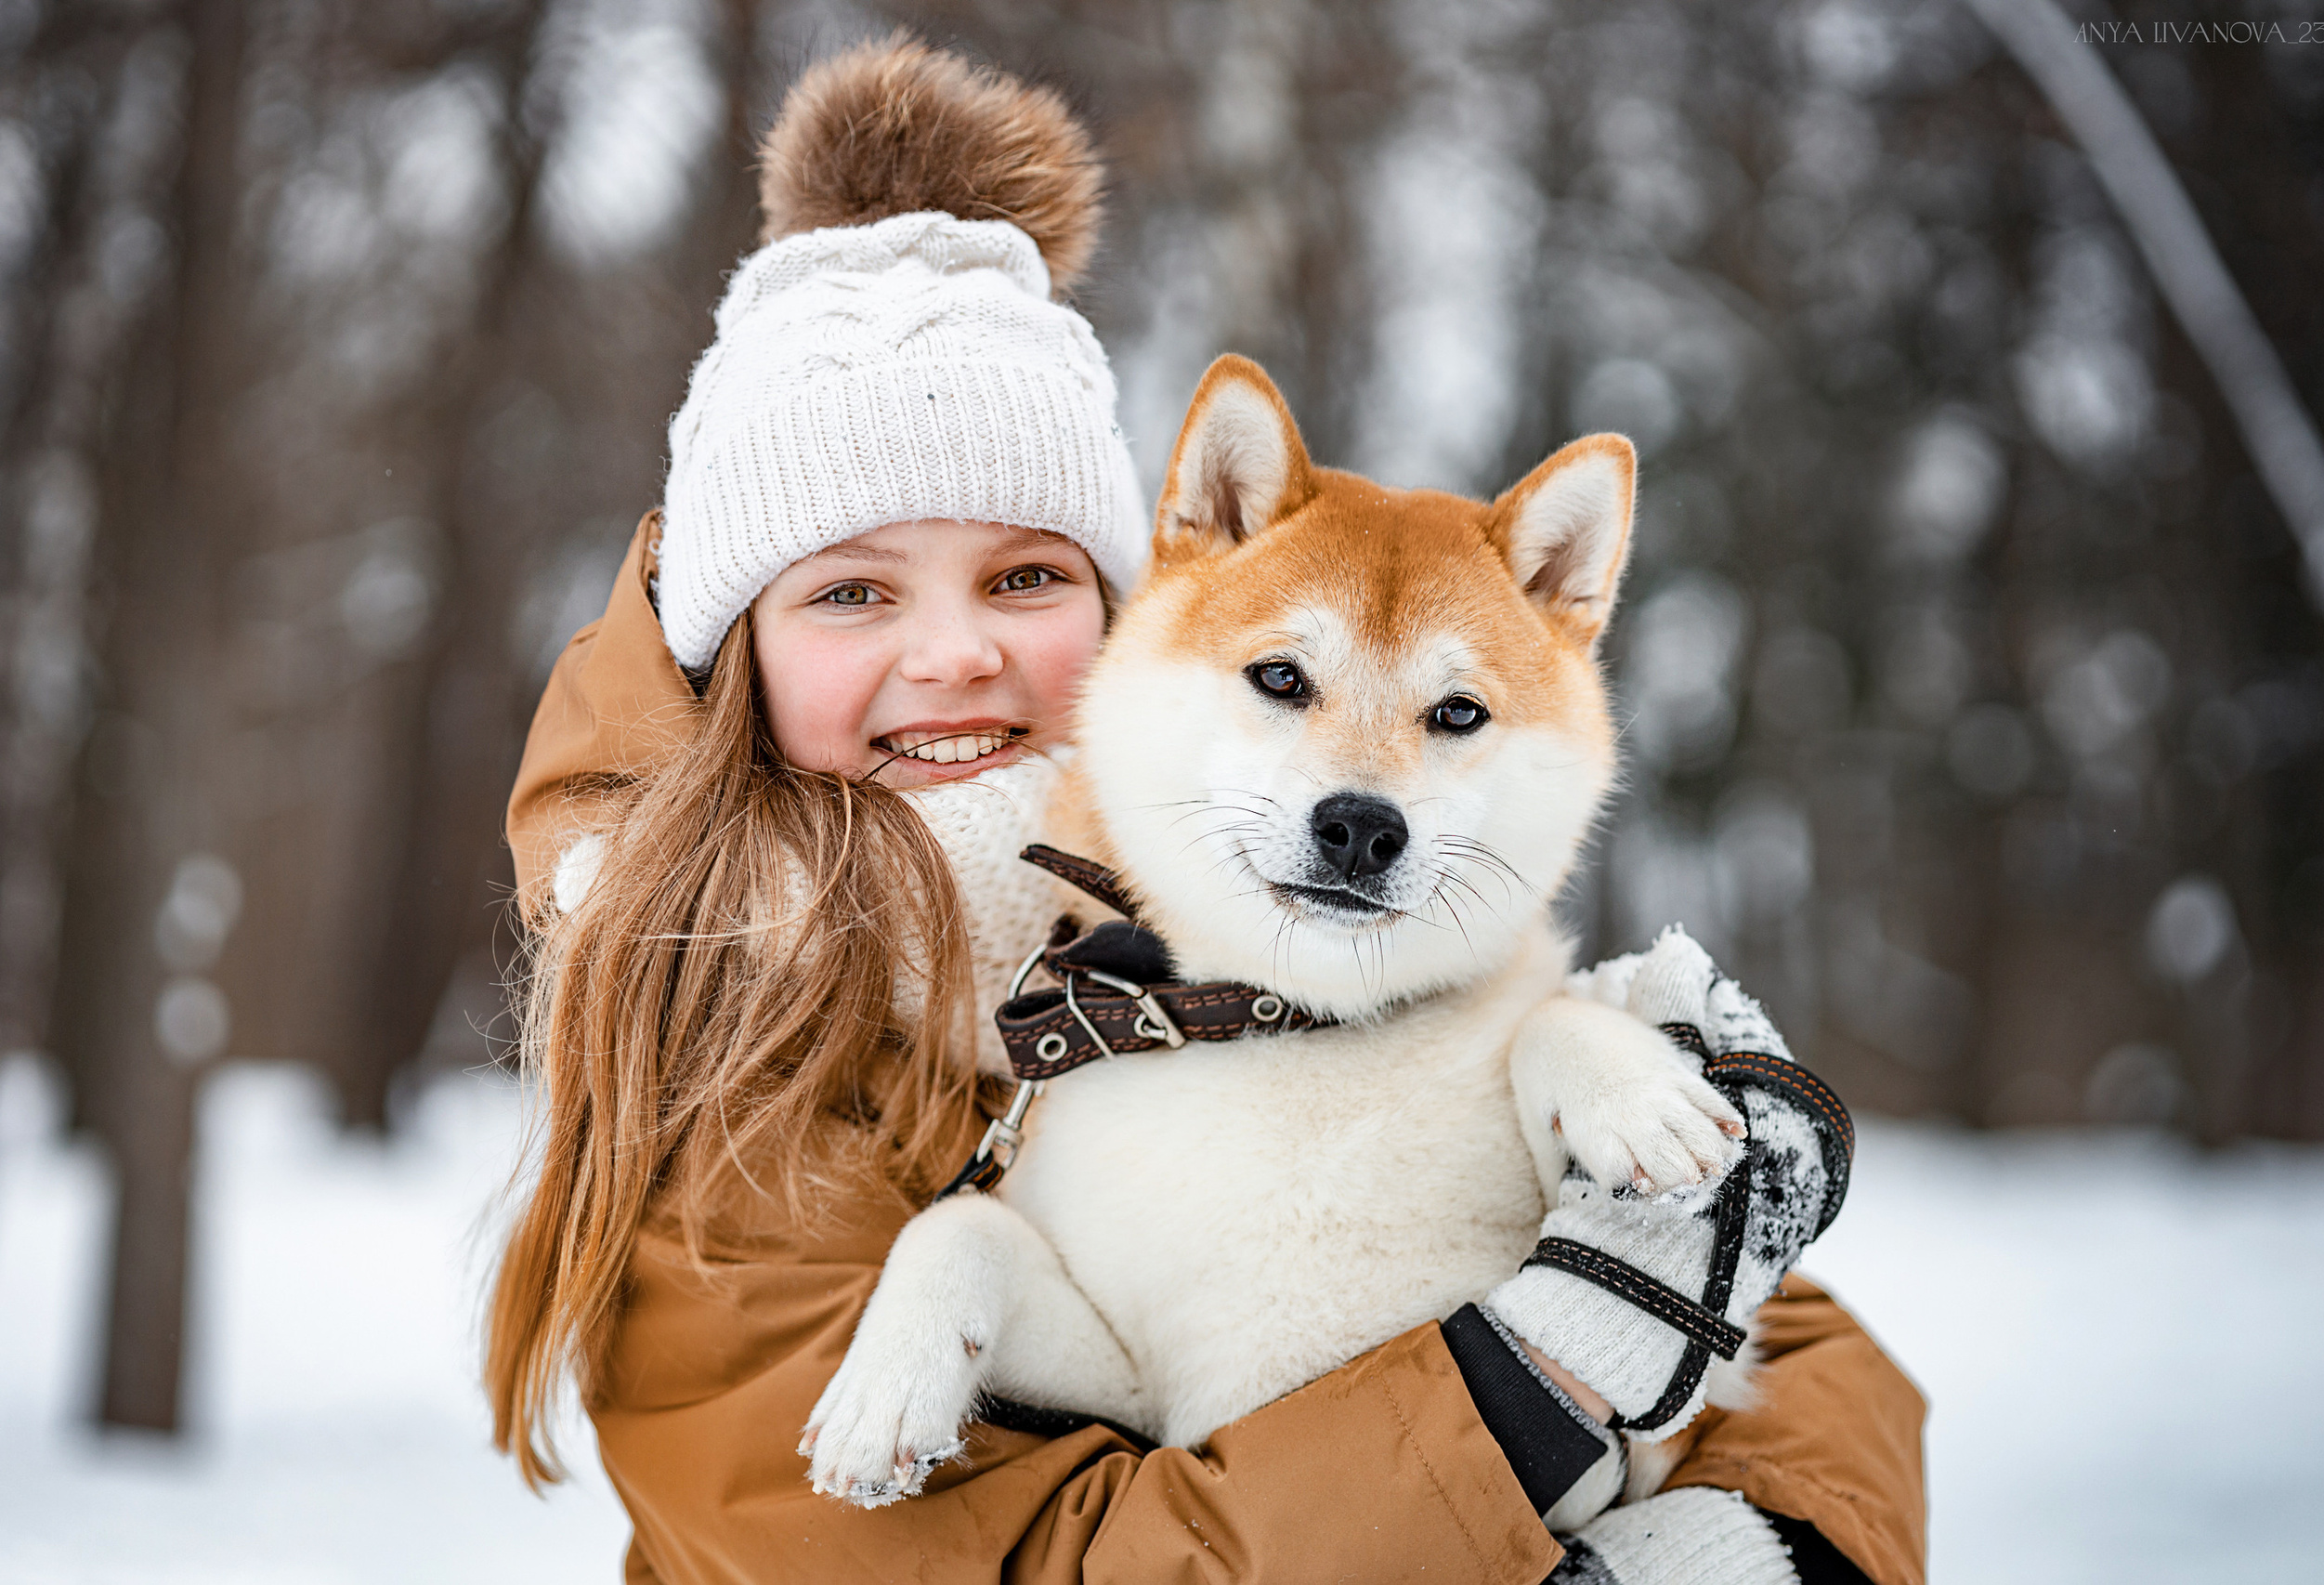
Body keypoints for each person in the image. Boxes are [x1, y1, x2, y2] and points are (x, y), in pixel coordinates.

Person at [485, 38, 1925, 1585]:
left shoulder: (1178, 916)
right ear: (738, 648)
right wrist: (1526, 1404)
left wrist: (1769, 1539)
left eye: (1026, 576)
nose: (955, 651)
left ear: (1133, 601)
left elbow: (1798, 1344)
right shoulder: (714, 1055)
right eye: (851, 591)